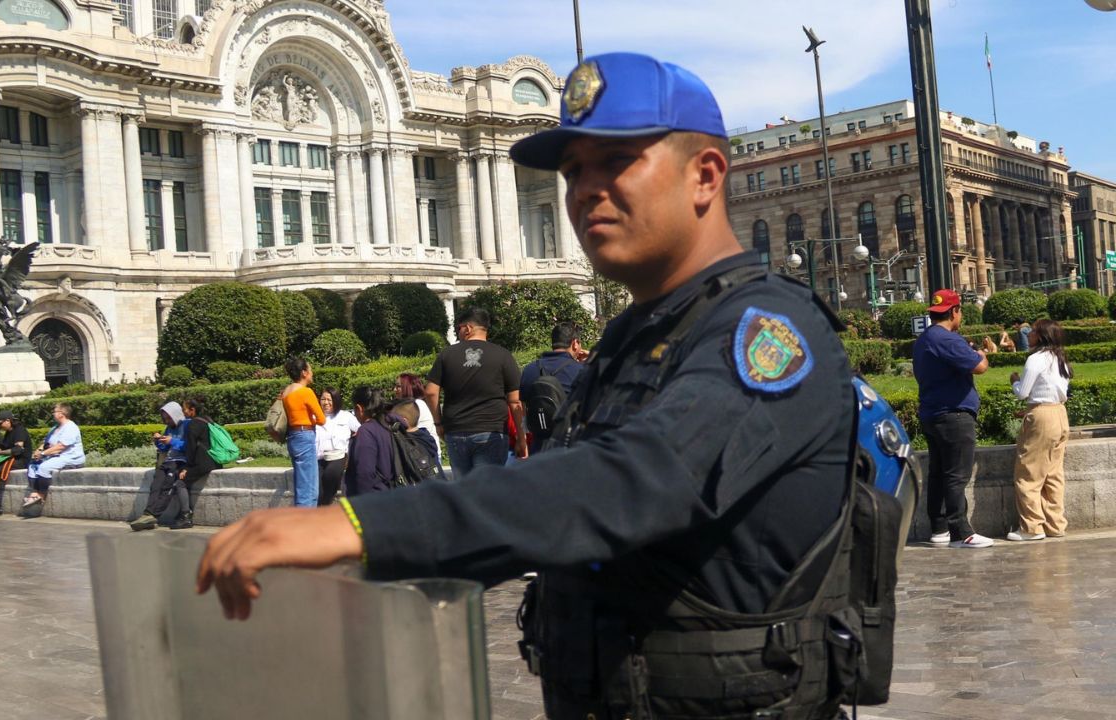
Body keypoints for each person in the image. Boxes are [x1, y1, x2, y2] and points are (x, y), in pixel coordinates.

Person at [198, 53, 861, 719]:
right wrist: (363, 575)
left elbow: (632, 482)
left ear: (705, 175)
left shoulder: (768, 333)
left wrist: (363, 525)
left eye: (616, 162)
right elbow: (555, 511)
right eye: (573, 171)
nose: (584, 190)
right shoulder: (636, 338)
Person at [913, 288, 998, 549]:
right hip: (954, 415)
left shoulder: (925, 338)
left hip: (933, 414)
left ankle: (939, 529)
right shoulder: (948, 339)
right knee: (956, 475)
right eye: (960, 311)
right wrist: (982, 355)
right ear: (954, 311)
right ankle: (962, 532)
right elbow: (979, 367)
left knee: (938, 473)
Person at [424, 307, 525, 479]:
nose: (458, 333)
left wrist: (439, 424)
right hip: (492, 431)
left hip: (456, 431)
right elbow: (515, 402)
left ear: (468, 328)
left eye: (458, 328)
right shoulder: (503, 355)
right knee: (487, 490)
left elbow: (430, 392)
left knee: (465, 491)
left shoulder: (447, 354)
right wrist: (521, 438)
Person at [1007, 319, 1072, 541]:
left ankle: (1031, 527)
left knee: (1028, 473)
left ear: (1041, 336)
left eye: (1033, 331)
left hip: (1041, 416)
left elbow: (1023, 392)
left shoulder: (1035, 359)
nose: (1029, 334)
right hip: (1059, 414)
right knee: (1054, 475)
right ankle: (1055, 525)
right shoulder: (1060, 358)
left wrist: (1014, 380)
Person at [518, 322, 587, 454]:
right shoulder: (582, 371)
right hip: (572, 448)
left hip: (539, 448)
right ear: (575, 343)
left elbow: (524, 410)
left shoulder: (530, 369)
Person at [130, 401, 190, 531]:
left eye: (169, 417)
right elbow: (164, 448)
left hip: (180, 462)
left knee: (167, 486)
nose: (167, 421)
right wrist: (158, 441)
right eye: (165, 418)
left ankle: (153, 515)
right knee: (156, 485)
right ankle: (147, 514)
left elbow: (190, 446)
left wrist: (172, 441)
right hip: (168, 461)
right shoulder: (169, 428)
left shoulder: (187, 425)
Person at [169, 396, 221, 529]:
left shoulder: (192, 425)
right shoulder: (206, 420)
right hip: (214, 460)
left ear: (192, 410)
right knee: (186, 479)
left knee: (180, 482)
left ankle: (186, 516)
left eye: (184, 409)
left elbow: (190, 448)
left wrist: (186, 467)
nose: (183, 412)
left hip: (202, 463)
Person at [280, 356, 325, 508]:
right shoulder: (306, 392)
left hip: (293, 437)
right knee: (309, 488)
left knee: (302, 483)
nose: (312, 373)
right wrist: (310, 420)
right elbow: (321, 419)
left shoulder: (286, 392)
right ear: (304, 373)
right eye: (310, 370)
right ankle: (304, 524)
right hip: (305, 436)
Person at [23, 403, 86, 509]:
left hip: (70, 457)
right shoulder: (54, 428)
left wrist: (43, 454)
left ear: (62, 414)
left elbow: (61, 447)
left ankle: (41, 495)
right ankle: (34, 494)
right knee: (33, 465)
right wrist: (38, 451)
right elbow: (46, 444)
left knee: (44, 467)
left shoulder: (71, 427)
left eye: (55, 411)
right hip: (55, 457)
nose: (53, 414)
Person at [343, 387, 394, 497]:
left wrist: (363, 504)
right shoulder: (389, 425)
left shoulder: (366, 432)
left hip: (373, 499)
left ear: (359, 409)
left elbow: (364, 473)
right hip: (391, 493)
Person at [314, 387, 359, 506]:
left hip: (338, 456)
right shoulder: (314, 417)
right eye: (323, 399)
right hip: (319, 457)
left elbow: (360, 430)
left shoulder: (345, 416)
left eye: (330, 399)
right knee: (317, 487)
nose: (326, 402)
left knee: (331, 473)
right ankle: (322, 507)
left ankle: (325, 504)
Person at [394, 373, 440, 460]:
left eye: (398, 386)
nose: (394, 389)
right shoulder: (411, 404)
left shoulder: (417, 404)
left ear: (408, 387)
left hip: (426, 456)